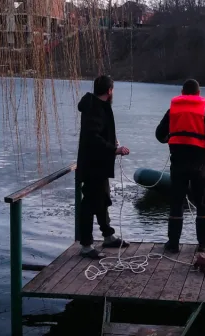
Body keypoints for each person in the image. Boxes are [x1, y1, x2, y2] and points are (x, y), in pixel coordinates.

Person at [155, 79, 205, 253]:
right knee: (202, 203)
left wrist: (169, 140)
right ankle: (204, 243)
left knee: (176, 203)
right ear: (199, 94)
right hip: (199, 162)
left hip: (178, 161)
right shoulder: (204, 111)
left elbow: (159, 133)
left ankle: (173, 243)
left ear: (182, 92)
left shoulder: (173, 110)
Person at [76, 75, 130, 259]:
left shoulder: (97, 106)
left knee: (102, 199)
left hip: (99, 164)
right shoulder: (94, 108)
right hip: (93, 165)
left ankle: (108, 235)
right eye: (112, 89)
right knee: (90, 204)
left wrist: (111, 140)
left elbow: (99, 132)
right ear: (109, 91)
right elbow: (93, 138)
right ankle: (86, 245)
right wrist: (115, 149)